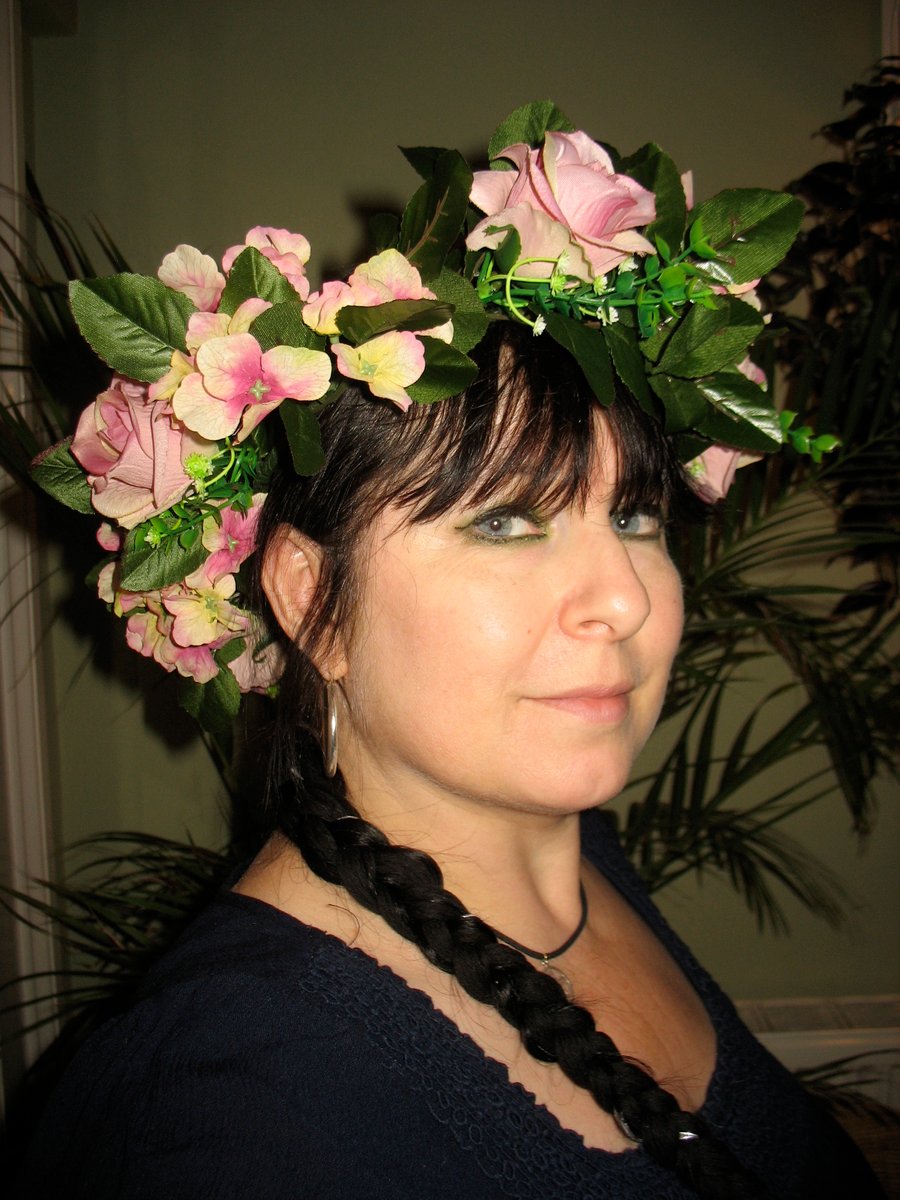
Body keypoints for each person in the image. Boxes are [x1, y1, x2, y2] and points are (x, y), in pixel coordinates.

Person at [14, 105, 884, 1199]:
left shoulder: (574, 869)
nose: (620, 596)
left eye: (637, 517)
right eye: (507, 524)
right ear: (310, 597)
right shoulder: (224, 1102)